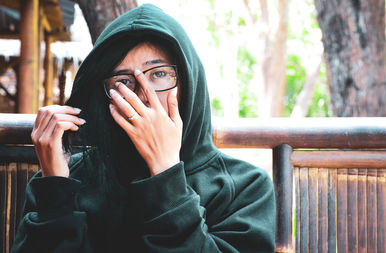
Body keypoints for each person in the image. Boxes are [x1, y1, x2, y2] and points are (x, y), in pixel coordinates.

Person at [11, 4, 275, 253]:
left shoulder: (245, 186)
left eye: (159, 74)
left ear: (188, 82)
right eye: (124, 81)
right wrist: (56, 189)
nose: (142, 95)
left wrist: (167, 175)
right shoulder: (66, 177)